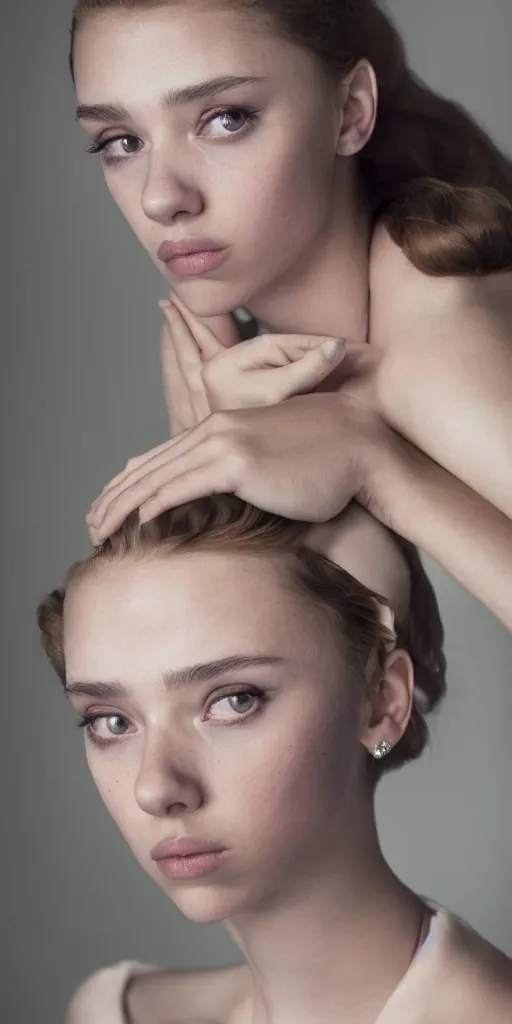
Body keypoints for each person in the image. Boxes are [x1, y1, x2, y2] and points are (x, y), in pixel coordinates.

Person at [68, 0, 512, 629]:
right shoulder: (262, 368)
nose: (160, 195)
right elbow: (363, 712)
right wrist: (276, 522)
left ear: (350, 111)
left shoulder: (436, 350)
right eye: (121, 141)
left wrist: (380, 470)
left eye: (225, 118)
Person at [38, 495, 511, 1023]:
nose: (154, 787)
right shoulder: (114, 1012)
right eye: (111, 721)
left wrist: (380, 467)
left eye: (234, 700)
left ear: (381, 701)